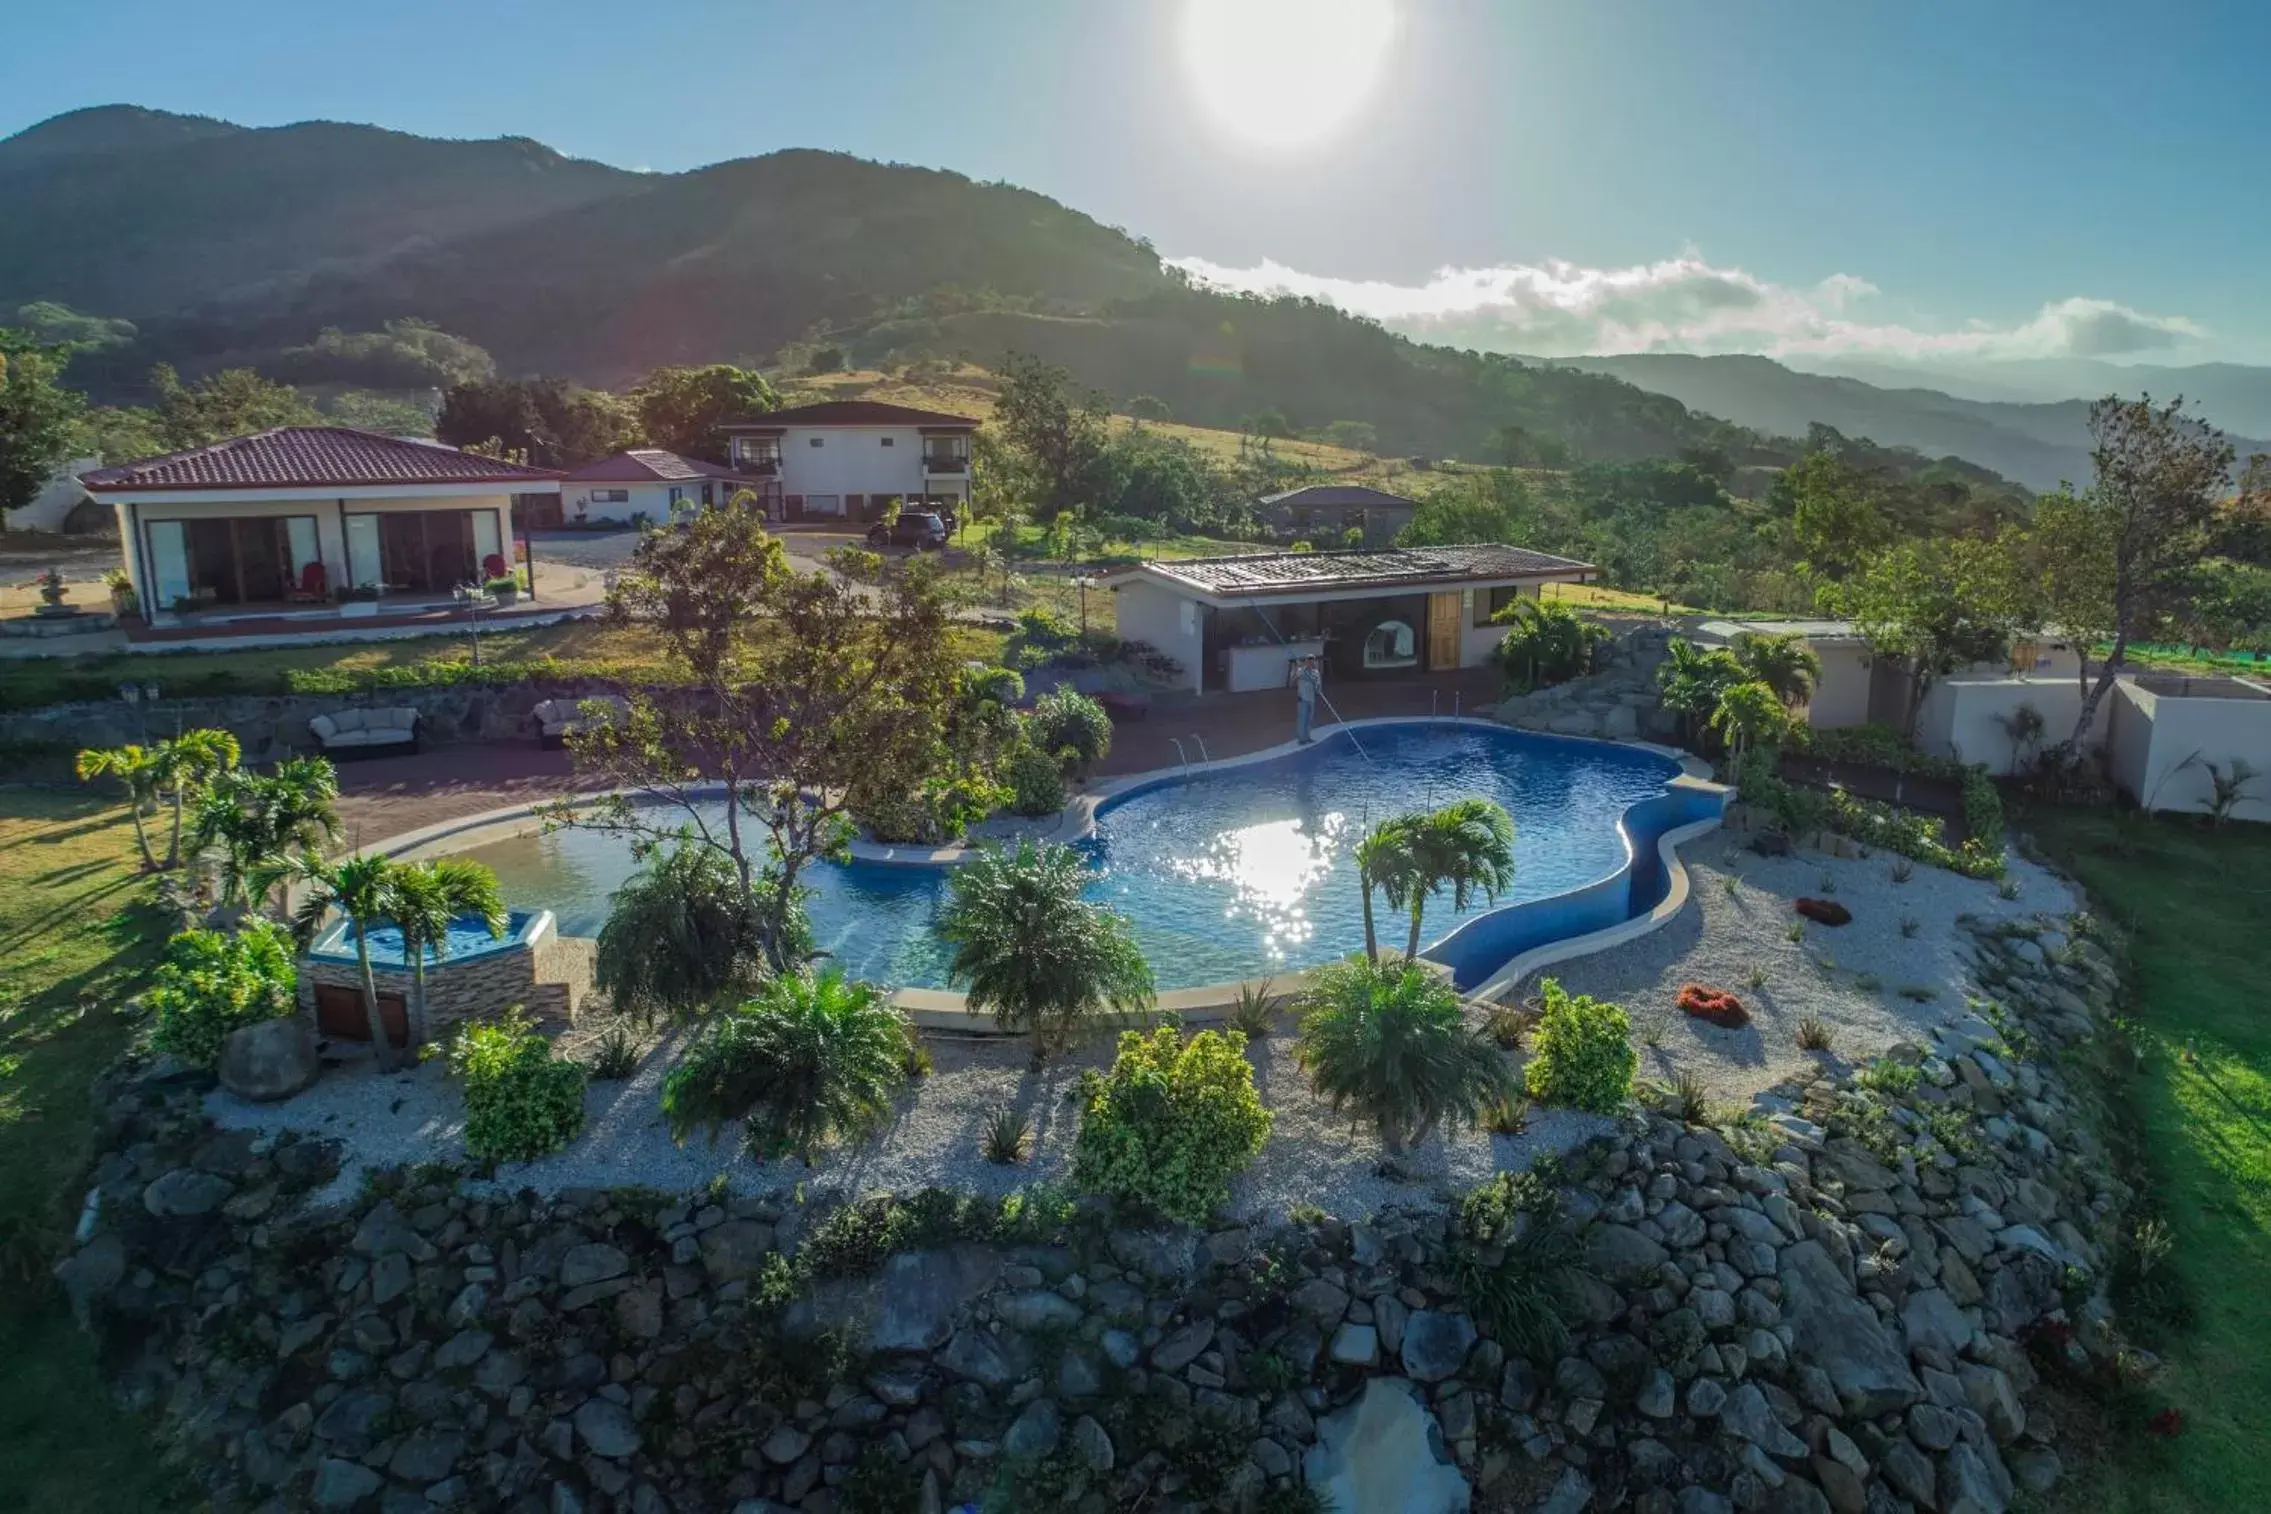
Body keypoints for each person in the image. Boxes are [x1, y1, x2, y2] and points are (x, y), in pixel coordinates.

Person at [1294, 655, 1321, 744]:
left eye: (1312, 660)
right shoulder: (1301, 671)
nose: (1310, 662)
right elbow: (1295, 678)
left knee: (1309, 719)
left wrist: (1317, 688)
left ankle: (1308, 736)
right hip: (1303, 698)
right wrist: (1301, 669)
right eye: (1308, 660)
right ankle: (1301, 739)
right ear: (1306, 661)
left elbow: (1318, 686)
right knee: (1302, 719)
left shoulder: (1316, 672)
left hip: (1311, 698)